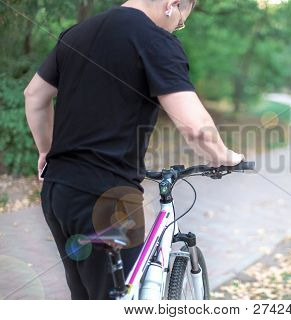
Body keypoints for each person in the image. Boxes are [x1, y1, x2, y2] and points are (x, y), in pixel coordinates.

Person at [24, 0, 244, 300]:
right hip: (108, 198)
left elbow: (34, 95)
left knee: (85, 299)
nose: (177, 27)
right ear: (172, 4)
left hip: (57, 191)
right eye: (181, 20)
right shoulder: (155, 40)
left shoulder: (76, 34)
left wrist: (46, 151)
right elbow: (195, 128)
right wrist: (226, 157)